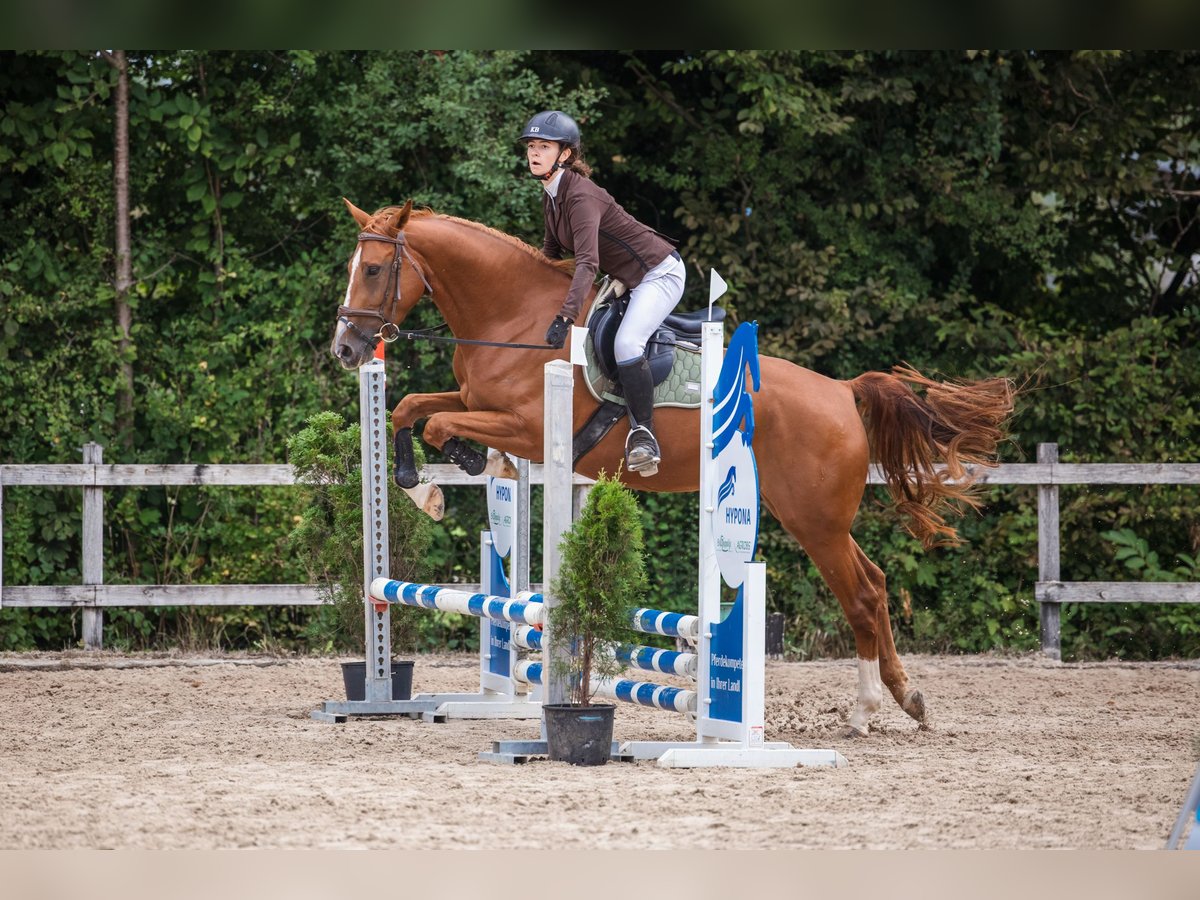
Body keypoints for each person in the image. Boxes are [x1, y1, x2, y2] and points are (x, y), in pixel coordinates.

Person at [519, 110, 686, 476]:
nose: (534, 153)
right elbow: (550, 256)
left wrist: (565, 315)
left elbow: (588, 263)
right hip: (627, 278)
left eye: (543, 146)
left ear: (564, 155)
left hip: (659, 273)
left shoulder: (579, 196)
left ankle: (644, 434)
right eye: (531, 146)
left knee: (627, 344)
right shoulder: (552, 195)